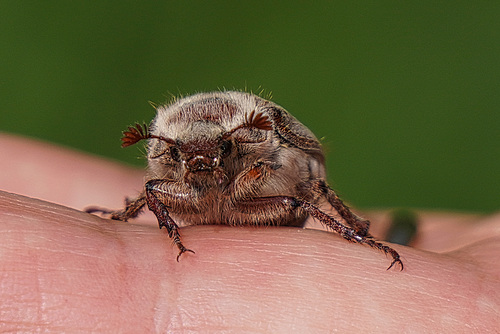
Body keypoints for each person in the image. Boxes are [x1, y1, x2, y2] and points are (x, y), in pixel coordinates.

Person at [0, 133, 498, 332]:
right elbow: (155, 188)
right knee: (153, 191)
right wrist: (136, 214)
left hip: (270, 207)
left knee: (304, 192)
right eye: (185, 157)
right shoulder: (166, 178)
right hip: (206, 211)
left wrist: (359, 236)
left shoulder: (253, 158)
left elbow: (307, 188)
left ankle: (357, 233)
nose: (199, 166)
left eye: (209, 156)